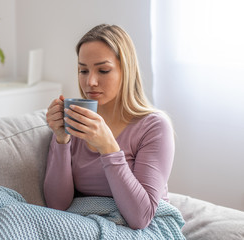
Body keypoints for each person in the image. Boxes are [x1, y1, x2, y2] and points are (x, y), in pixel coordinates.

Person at [44, 24, 175, 230]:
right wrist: (61, 139)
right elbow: (56, 205)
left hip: (141, 229)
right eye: (83, 70)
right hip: (84, 223)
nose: (90, 82)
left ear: (126, 70)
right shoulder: (77, 119)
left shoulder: (154, 126)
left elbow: (140, 218)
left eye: (103, 70)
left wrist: (108, 147)